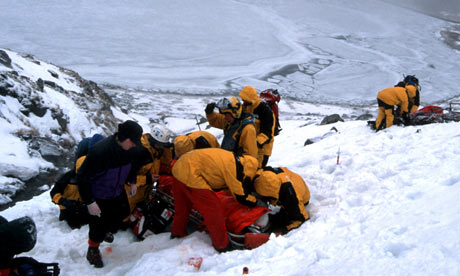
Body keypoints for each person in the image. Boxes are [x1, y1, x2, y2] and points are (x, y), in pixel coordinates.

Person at [77, 120, 142, 268]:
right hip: (100, 193)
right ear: (125, 138)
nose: (135, 145)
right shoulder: (100, 152)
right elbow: (82, 176)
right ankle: (92, 249)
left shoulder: (131, 150)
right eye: (133, 142)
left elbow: (132, 166)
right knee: (97, 225)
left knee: (123, 211)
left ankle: (105, 230)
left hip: (117, 190)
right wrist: (89, 202)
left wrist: (132, 181)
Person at [171, 148, 259, 252]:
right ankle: (222, 245)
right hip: (191, 173)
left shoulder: (232, 158)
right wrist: (255, 201)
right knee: (214, 210)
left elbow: (229, 187)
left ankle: (177, 232)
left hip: (179, 167)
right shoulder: (237, 170)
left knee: (183, 206)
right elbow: (241, 196)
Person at [50, 134, 105, 229]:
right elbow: (54, 192)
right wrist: (64, 202)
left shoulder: (94, 176)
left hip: (83, 208)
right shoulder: (68, 177)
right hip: (68, 209)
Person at [126, 124, 174, 214]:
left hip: (143, 191)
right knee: (123, 216)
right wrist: (147, 179)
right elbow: (125, 177)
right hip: (130, 193)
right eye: (162, 145)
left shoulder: (156, 149)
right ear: (156, 143)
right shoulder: (139, 152)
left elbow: (167, 162)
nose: (163, 147)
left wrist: (168, 148)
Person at [253, 166, 310, 234]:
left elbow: (302, 219)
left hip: (300, 196)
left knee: (284, 219)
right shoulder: (264, 176)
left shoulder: (291, 197)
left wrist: (282, 231)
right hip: (287, 178)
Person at [239, 86, 276, 168]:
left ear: (250, 98)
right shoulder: (246, 107)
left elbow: (267, 133)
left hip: (262, 149)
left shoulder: (265, 110)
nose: (243, 100)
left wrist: (255, 143)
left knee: (256, 170)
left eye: (244, 99)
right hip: (249, 147)